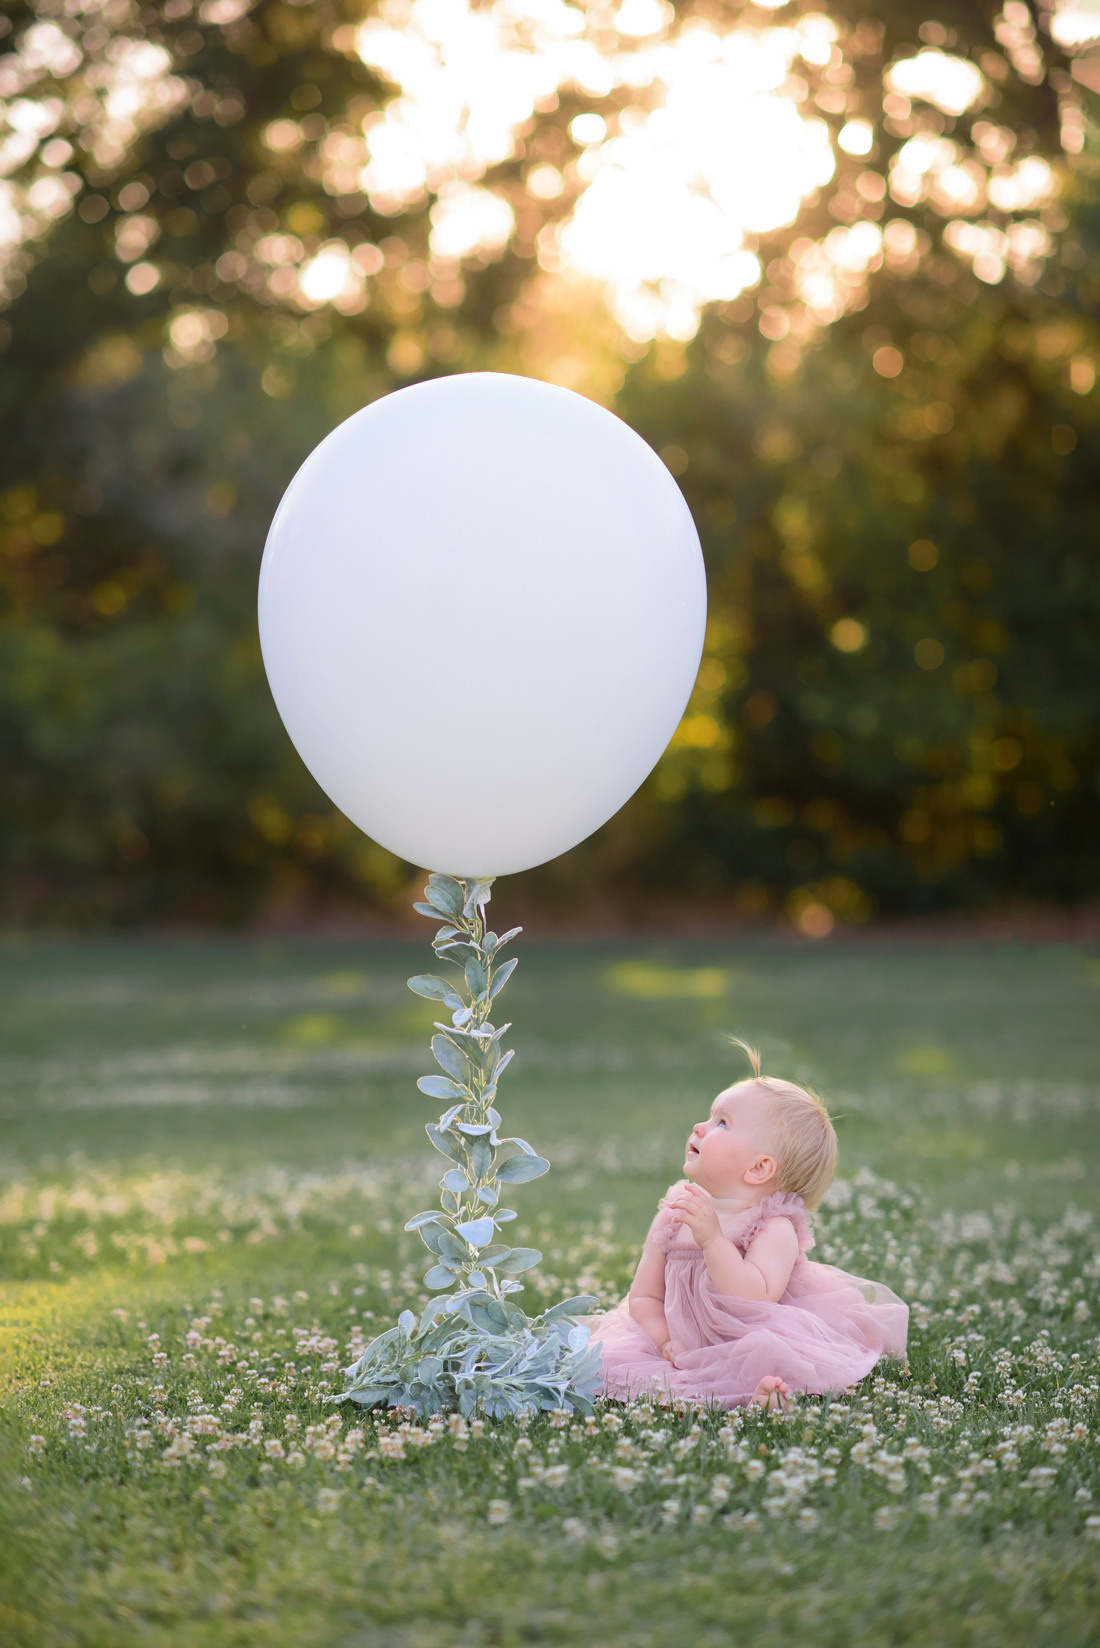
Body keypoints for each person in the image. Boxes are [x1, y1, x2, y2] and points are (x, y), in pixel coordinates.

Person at [587, 1040, 908, 1411]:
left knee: (769, 1355)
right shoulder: (676, 1212)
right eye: (710, 1116)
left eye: (721, 1123)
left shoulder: (773, 1227)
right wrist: (663, 1342)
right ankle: (714, 1379)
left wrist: (713, 1241)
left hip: (745, 1338)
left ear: (759, 1168)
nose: (700, 1126)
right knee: (615, 1364)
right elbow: (644, 1296)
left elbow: (753, 1297)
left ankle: (765, 1393)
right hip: (676, 1341)